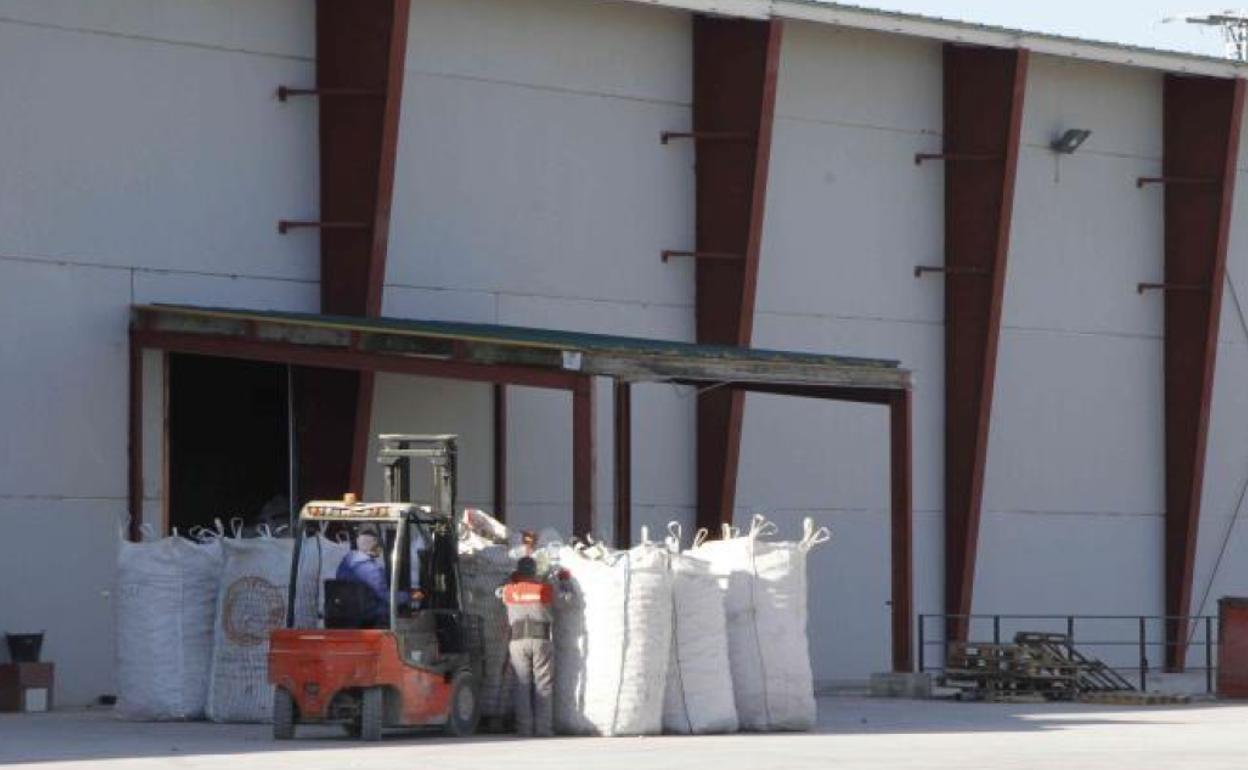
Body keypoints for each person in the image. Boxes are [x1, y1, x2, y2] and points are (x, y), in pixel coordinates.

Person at [498, 556, 559, 737]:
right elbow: (564, 602)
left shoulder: (509, 591)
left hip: (517, 641)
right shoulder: (543, 589)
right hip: (540, 639)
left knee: (522, 684)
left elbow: (500, 590)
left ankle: (524, 729)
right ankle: (543, 729)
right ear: (534, 572)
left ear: (518, 573)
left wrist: (511, 578)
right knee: (543, 684)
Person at [336, 528, 389, 627]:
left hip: (346, 617)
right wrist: (406, 596)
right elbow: (384, 596)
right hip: (369, 620)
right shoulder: (373, 570)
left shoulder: (344, 564)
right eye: (379, 544)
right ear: (374, 545)